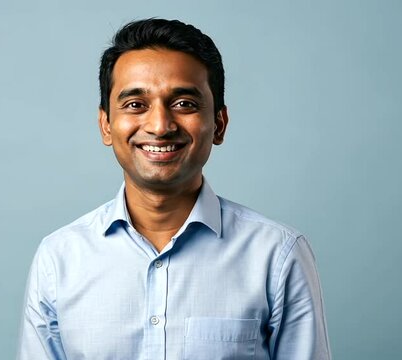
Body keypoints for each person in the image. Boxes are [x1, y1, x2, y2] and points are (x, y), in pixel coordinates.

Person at [17, 18, 331, 360]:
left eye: (184, 104)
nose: (160, 126)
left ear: (219, 125)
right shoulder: (59, 259)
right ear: (106, 124)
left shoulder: (278, 256)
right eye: (136, 104)